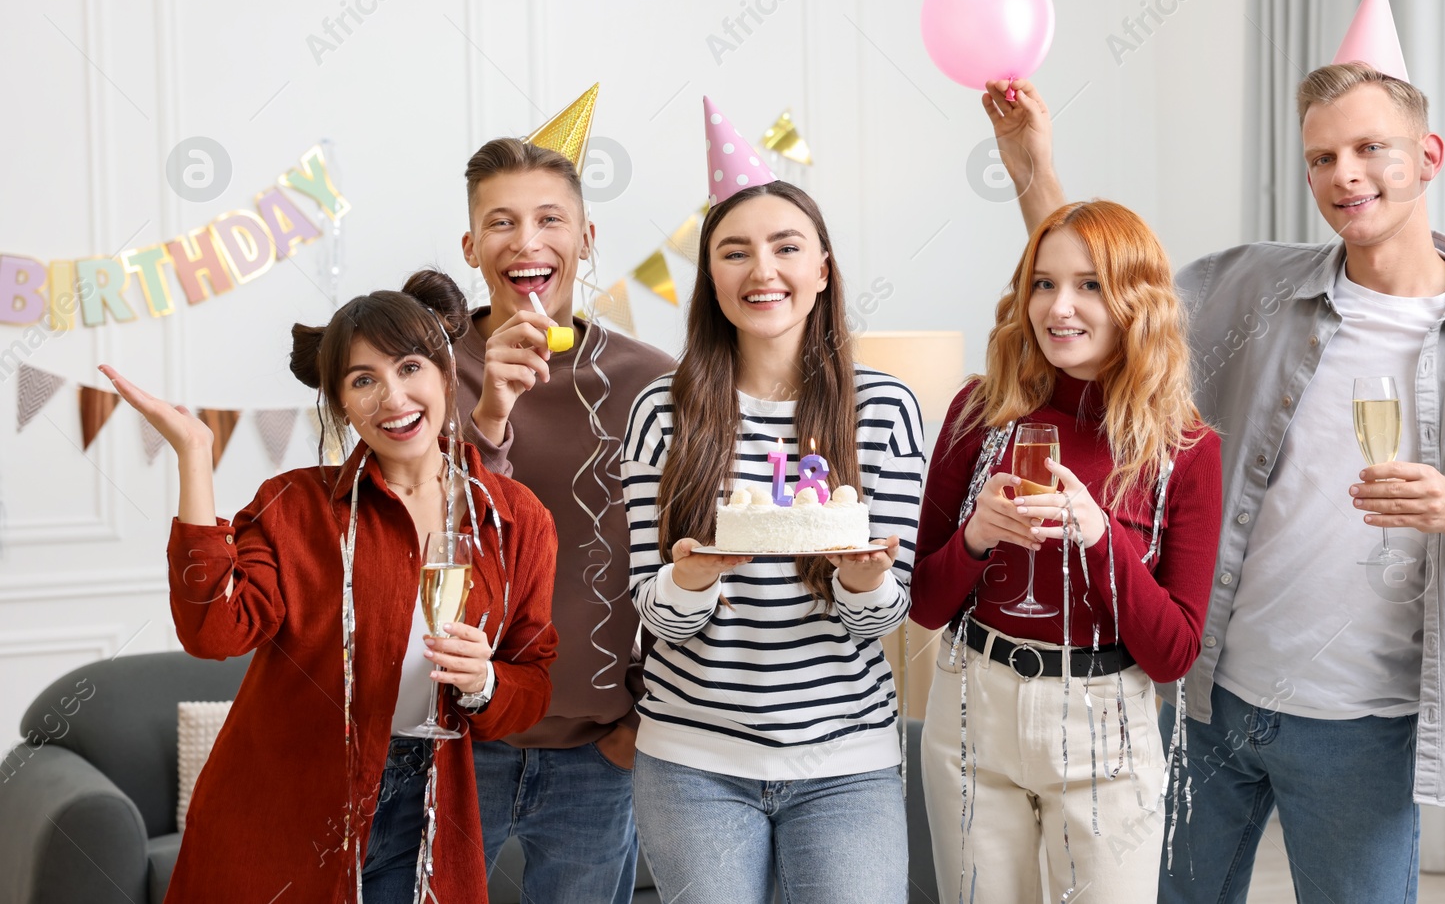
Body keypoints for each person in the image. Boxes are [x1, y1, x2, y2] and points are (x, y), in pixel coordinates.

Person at [986, 0, 1445, 903]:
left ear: (1427, 155)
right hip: (1209, 698)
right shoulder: (1248, 289)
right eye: (1321, 158)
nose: (1344, 174)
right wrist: (1035, 170)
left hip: (1367, 725)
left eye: (1369, 149)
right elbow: (1093, 301)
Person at [100, 269, 559, 903]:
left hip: (425, 803)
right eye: (363, 380)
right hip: (283, 801)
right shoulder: (294, 506)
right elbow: (212, 633)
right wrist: (195, 459)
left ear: (447, 372)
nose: (392, 398)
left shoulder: (516, 520)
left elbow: (531, 681)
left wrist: (484, 684)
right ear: (340, 402)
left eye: (409, 368)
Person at [620, 99, 925, 904]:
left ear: (822, 267)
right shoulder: (661, 409)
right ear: (709, 275)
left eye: (786, 247)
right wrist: (693, 578)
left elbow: (892, 612)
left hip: (847, 763)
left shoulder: (884, 408)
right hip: (693, 761)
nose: (763, 271)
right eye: (734, 251)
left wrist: (864, 579)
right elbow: (650, 608)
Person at [911, 199, 1222, 903]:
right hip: (971, 709)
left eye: (1088, 284)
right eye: (1043, 283)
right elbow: (925, 605)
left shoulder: (1186, 450)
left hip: (1106, 726)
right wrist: (974, 538)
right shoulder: (975, 413)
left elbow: (1173, 651)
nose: (1059, 307)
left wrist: (1100, 536)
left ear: (1135, 300)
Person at [456, 99, 676, 901]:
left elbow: (690, 550)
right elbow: (404, 540)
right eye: (501, 221)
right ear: (472, 245)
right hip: (450, 743)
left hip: (597, 751)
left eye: (551, 218)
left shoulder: (652, 377)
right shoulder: (425, 370)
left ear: (585, 240)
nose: (526, 240)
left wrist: (643, 719)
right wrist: (489, 417)